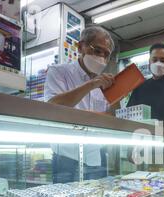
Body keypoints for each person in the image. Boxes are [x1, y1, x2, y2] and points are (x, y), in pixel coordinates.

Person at [44, 26, 116, 183]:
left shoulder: (105, 85)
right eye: (97, 50)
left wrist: (116, 98)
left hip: (96, 156)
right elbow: (53, 105)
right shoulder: (59, 72)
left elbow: (107, 118)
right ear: (80, 46)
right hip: (66, 156)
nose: (101, 57)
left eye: (106, 54)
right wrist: (91, 84)